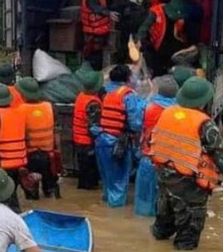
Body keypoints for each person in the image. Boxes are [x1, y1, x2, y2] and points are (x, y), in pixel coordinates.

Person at [150, 77, 223, 250]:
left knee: (161, 232)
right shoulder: (204, 125)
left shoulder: (167, 113)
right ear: (203, 101)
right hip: (189, 189)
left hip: (165, 182)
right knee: (186, 243)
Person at [90, 64, 145, 207]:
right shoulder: (128, 95)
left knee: (108, 181)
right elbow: (136, 124)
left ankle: (104, 212)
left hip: (101, 140)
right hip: (117, 144)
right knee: (118, 183)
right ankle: (115, 213)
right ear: (128, 78)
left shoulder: (104, 92)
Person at [135, 75, 178, 217]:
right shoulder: (179, 111)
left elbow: (135, 124)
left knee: (144, 202)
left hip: (148, 158)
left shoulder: (147, 107)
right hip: (170, 163)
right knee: (165, 205)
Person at [17, 77, 60, 200]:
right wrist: (58, 152)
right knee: (51, 190)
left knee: (31, 190)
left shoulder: (19, 110)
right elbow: (57, 131)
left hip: (29, 156)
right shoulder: (50, 107)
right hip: (48, 155)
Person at [0, 85, 27, 213]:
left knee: (5, 195)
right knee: (13, 190)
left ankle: (11, 215)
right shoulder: (19, 113)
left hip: (4, 161)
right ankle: (17, 213)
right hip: (20, 160)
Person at [136, 0, 194, 77]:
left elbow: (180, 35)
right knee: (154, 62)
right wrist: (140, 40)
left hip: (169, 42)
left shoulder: (179, 18)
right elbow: (144, 28)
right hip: (154, 44)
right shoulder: (155, 12)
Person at [80, 0, 120, 71]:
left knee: (99, 59)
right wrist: (109, 13)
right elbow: (97, 8)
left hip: (100, 35)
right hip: (93, 36)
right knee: (94, 62)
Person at [72, 71, 102, 190]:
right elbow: (93, 126)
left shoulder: (81, 96)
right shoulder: (93, 102)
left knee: (83, 169)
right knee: (90, 171)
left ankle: (83, 189)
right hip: (87, 140)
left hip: (78, 138)